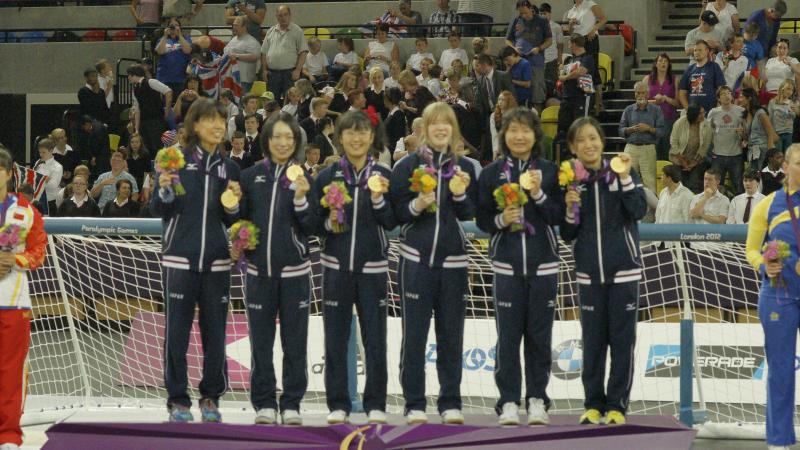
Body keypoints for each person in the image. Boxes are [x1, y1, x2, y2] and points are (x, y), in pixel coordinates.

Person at [151, 98, 242, 423]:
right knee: (176, 333)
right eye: (211, 120)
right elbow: (158, 210)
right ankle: (177, 400)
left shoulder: (229, 168)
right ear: (194, 125)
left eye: (222, 120)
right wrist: (163, 190)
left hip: (217, 263)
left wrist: (233, 207)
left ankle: (210, 398)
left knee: (215, 333)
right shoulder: (172, 160)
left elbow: (234, 217)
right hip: (179, 259)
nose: (219, 126)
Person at [388, 102, 476, 425]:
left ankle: (450, 401)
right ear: (424, 128)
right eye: (434, 123)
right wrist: (418, 203)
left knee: (452, 335)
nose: (441, 128)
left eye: (447, 123)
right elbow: (395, 215)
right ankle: (414, 403)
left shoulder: (464, 166)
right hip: (415, 262)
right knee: (414, 336)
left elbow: (468, 214)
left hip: (453, 264)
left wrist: (463, 192)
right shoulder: (405, 166)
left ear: (453, 129)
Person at [476, 107, 562, 426]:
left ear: (535, 134)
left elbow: (558, 217)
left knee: (540, 337)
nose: (519, 136)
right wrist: (502, 219)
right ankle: (508, 400)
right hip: (506, 267)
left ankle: (537, 399)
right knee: (508, 337)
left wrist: (538, 194)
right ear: (504, 135)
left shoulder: (551, 172)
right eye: (513, 130)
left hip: (543, 267)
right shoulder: (491, 173)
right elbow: (483, 218)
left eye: (525, 130)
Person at [560, 117, 645, 426]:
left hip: (624, 272)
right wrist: (570, 209)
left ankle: (617, 407)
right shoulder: (570, 178)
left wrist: (623, 180)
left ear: (602, 141)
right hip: (589, 275)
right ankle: (593, 404)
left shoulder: (621, 169)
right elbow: (567, 233)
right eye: (581, 140)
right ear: (572, 147)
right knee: (593, 343)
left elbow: (637, 210)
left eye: (593, 138)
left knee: (623, 343)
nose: (589, 144)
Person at [311, 110, 395, 425]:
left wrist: (377, 200)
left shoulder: (385, 175)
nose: (356, 138)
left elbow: (392, 220)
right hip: (334, 267)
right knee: (335, 337)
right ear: (340, 138)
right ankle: (339, 403)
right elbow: (312, 223)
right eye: (350, 133)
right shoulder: (325, 176)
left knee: (375, 338)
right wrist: (328, 223)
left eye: (362, 133)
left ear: (371, 138)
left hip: (373, 268)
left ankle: (375, 403)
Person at [236, 112, 317, 426]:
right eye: (277, 136)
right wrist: (232, 210)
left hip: (295, 275)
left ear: (295, 141)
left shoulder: (303, 177)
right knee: (261, 342)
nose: (283, 142)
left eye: (289, 137)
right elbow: (238, 220)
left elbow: (311, 225)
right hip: (258, 275)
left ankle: (292, 403)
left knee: (295, 342)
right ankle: (265, 404)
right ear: (267, 140)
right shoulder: (250, 176)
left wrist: (300, 199)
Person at [744, 142, 800, 450]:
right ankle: (778, 441)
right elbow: (751, 249)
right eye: (799, 163)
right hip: (779, 296)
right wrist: (764, 262)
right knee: (780, 370)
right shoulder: (769, 204)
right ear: (786, 168)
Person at [0, 147, 47, 450]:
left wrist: (15, 261)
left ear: (7, 173)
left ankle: (8, 435)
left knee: (11, 372)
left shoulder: (25, 212)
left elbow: (38, 252)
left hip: (13, 303)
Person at [618, 81, 665, 193]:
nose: (640, 95)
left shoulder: (656, 110)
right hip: (630, 148)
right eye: (638, 93)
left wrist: (649, 129)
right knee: (627, 181)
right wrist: (630, 129)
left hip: (647, 148)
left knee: (649, 182)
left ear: (648, 94)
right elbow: (620, 130)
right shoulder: (628, 110)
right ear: (634, 94)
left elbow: (662, 131)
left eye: (643, 93)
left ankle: (650, 209)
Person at [505, 0, 551, 112]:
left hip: (536, 62)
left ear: (531, 9)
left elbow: (549, 40)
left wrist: (539, 48)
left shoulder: (542, 20)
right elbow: (507, 40)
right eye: (521, 13)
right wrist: (514, 48)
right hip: (518, 62)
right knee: (516, 93)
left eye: (525, 12)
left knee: (537, 94)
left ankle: (537, 120)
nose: (523, 15)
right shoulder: (516, 20)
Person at [563, 0, 606, 112]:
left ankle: (598, 103)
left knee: (593, 71)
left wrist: (594, 29)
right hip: (577, 41)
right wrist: (571, 24)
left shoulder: (590, 4)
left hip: (589, 38)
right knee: (579, 69)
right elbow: (570, 31)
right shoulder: (572, 10)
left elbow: (603, 19)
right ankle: (585, 100)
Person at [260, 5, 309, 104]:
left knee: (291, 102)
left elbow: (303, 52)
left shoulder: (297, 31)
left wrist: (298, 70)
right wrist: (264, 70)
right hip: (272, 74)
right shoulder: (270, 31)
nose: (283, 18)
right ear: (276, 17)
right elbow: (264, 52)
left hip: (290, 74)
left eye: (285, 15)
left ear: (290, 15)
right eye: (280, 15)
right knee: (272, 103)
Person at [556, 34, 596, 146]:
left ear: (573, 43)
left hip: (581, 97)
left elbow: (581, 71)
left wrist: (566, 77)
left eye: (569, 43)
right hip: (567, 97)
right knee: (564, 127)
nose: (569, 45)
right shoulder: (569, 59)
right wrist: (563, 73)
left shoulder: (587, 58)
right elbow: (561, 74)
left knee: (580, 127)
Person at [472, 53, 513, 160]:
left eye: (477, 65)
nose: (475, 68)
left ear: (485, 65)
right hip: (489, 114)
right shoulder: (480, 80)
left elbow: (512, 97)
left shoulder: (503, 76)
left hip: (506, 113)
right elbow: (481, 102)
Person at [707, 85, 746, 195]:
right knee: (716, 187)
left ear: (732, 96)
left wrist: (743, 133)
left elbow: (747, 132)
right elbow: (707, 131)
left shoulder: (741, 111)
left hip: (736, 154)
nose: (726, 96)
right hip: (718, 155)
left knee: (739, 187)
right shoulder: (713, 112)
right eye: (723, 94)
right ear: (718, 98)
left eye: (729, 93)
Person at [127, 65, 172, 157]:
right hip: (144, 123)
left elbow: (168, 91)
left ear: (134, 75)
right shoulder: (135, 89)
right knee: (146, 150)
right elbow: (137, 109)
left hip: (156, 121)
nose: (128, 78)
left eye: (129, 75)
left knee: (158, 148)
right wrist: (137, 129)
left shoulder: (151, 82)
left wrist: (167, 111)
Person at [644, 53, 679, 161]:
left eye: (665, 61)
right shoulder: (647, 79)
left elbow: (678, 103)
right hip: (651, 120)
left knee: (666, 150)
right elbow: (640, 101)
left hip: (668, 119)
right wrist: (654, 101)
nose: (663, 63)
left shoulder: (675, 80)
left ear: (669, 64)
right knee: (652, 151)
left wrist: (666, 99)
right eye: (660, 61)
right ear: (655, 64)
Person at [669, 103, 712, 193]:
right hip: (678, 158)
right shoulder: (680, 123)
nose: (703, 115)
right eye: (700, 113)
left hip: (697, 160)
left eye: (704, 113)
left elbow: (705, 146)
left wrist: (694, 162)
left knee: (694, 183)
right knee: (679, 185)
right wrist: (683, 161)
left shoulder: (706, 124)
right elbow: (673, 142)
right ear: (694, 114)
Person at [678, 40, 725, 112]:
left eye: (700, 50)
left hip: (710, 112)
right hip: (693, 113)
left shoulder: (714, 67)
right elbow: (682, 92)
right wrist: (688, 110)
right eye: (695, 50)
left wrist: (717, 109)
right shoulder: (689, 69)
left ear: (707, 51)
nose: (697, 52)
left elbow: (721, 89)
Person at [225, 16, 262, 94]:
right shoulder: (233, 39)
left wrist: (237, 56)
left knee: (242, 103)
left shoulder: (252, 42)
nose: (234, 27)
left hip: (244, 80)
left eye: (236, 25)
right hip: (232, 78)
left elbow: (255, 56)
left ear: (244, 27)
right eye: (233, 25)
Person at [155, 17, 192, 96]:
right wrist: (165, 36)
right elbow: (159, 51)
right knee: (165, 104)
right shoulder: (162, 39)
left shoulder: (186, 38)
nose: (174, 27)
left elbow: (188, 50)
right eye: (172, 25)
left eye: (176, 25)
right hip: (164, 77)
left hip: (180, 78)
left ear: (180, 27)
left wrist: (180, 36)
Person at [33, 138, 64, 215]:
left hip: (50, 201)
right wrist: (45, 179)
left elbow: (53, 185)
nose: (41, 155)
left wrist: (40, 180)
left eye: (44, 152)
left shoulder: (57, 167)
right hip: (37, 199)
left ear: (51, 151)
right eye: (40, 152)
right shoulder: (38, 162)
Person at [77, 115, 112, 180]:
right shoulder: (91, 128)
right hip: (97, 156)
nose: (84, 129)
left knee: (101, 175)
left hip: (102, 156)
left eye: (84, 126)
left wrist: (94, 157)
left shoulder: (98, 129)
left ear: (87, 124)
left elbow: (99, 145)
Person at [540, 3, 563, 99]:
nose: (542, 16)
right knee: (541, 86)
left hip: (552, 60)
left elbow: (560, 45)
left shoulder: (556, 27)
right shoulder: (537, 26)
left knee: (553, 85)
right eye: (540, 14)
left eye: (544, 13)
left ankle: (554, 106)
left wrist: (560, 60)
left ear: (550, 14)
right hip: (540, 61)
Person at [767, 79, 798, 152]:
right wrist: (771, 135)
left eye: (792, 90)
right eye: (788, 89)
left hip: (789, 133)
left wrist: (793, 111)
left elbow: (793, 118)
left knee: (787, 157)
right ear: (782, 88)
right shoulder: (772, 102)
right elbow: (769, 119)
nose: (790, 92)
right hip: (777, 134)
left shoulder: (792, 103)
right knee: (778, 158)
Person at [490, 91, 518, 159]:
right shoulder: (493, 116)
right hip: (500, 148)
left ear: (509, 101)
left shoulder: (515, 115)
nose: (500, 102)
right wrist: (495, 151)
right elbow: (494, 135)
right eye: (499, 99)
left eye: (503, 100)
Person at [384, 87, 407, 154]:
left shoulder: (398, 115)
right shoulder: (391, 112)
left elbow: (398, 137)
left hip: (393, 150)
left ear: (388, 100)